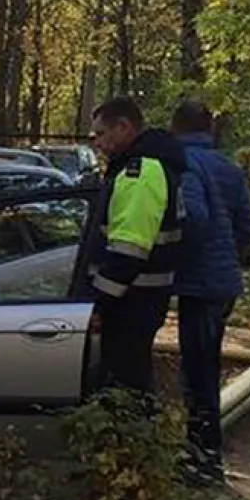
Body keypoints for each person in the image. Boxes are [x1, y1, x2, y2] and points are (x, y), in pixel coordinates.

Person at [169, 101, 250, 485]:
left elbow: (195, 220)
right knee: (207, 366)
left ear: (175, 128)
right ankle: (203, 454)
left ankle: (204, 462)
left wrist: (182, 261)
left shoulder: (184, 163)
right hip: (223, 283)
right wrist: (227, 257)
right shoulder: (228, 167)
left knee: (197, 372)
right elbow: (248, 227)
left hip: (200, 283)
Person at [86, 96, 188, 397]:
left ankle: (127, 441)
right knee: (129, 381)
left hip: (131, 302)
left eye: (101, 134)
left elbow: (128, 251)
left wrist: (98, 302)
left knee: (125, 387)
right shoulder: (146, 166)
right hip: (139, 299)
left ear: (123, 127)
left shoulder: (139, 172)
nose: (97, 144)